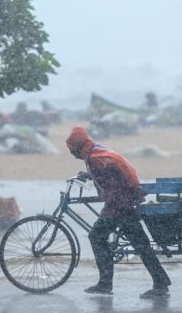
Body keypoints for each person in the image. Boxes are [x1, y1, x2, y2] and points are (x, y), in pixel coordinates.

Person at [65, 126, 171, 299]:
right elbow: (111, 172)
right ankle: (160, 282)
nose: (73, 155)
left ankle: (105, 284)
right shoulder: (97, 152)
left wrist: (109, 211)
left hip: (120, 206)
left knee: (96, 237)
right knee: (141, 245)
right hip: (126, 202)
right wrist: (89, 175)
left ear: (78, 147)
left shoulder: (94, 159)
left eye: (73, 151)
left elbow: (112, 185)